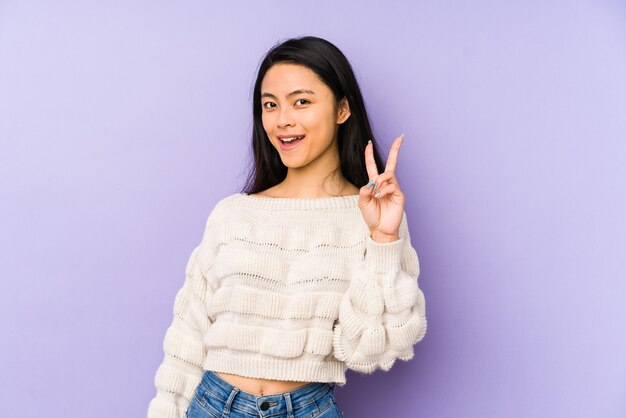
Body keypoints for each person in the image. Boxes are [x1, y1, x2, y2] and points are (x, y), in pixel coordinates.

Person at [147, 35, 427, 418]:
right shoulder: (232, 214)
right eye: (270, 105)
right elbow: (186, 341)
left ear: (342, 109)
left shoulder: (374, 216)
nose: (283, 120)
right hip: (212, 405)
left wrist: (382, 240)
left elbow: (373, 349)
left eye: (302, 102)